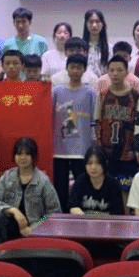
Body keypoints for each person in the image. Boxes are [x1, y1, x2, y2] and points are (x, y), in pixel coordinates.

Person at [0, 137, 62, 246]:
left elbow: (54, 213)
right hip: (10, 225)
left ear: (33, 156)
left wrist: (34, 227)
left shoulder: (43, 181)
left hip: (35, 230)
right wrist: (12, 210)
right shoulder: (7, 177)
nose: (22, 158)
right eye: (19, 154)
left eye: (27, 154)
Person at [52, 53, 96, 212]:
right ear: (67, 69)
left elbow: (94, 120)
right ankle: (59, 217)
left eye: (79, 68)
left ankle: (80, 216)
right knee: (60, 188)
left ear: (84, 70)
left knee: (81, 185)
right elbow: (48, 116)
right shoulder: (56, 91)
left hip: (82, 149)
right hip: (59, 149)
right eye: (72, 67)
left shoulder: (90, 93)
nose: (75, 71)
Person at [93, 54, 139, 203]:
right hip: (107, 153)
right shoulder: (102, 95)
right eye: (111, 70)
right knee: (109, 190)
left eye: (119, 70)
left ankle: (125, 217)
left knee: (126, 191)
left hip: (128, 153)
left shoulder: (135, 96)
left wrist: (138, 150)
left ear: (126, 72)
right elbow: (97, 122)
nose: (115, 74)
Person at [69, 146, 126, 216]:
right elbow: (73, 206)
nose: (93, 167)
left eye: (98, 163)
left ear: (104, 164)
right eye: (89, 163)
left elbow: (117, 212)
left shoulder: (113, 184)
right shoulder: (80, 181)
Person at [82, 9, 110, 78]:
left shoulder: (110, 48)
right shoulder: (80, 47)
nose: (94, 25)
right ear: (86, 24)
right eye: (91, 22)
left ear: (102, 24)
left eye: (97, 22)